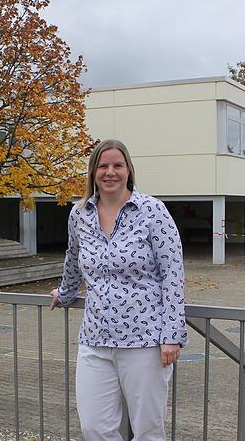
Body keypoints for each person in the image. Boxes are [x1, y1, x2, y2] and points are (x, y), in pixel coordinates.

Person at [50, 139, 187, 441]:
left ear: (128, 170)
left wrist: (172, 335)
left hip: (145, 342)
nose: (110, 172)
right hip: (95, 340)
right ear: (93, 171)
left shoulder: (153, 211)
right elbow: (73, 259)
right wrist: (65, 292)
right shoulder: (80, 214)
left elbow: (173, 274)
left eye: (117, 165)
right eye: (103, 165)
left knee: (148, 432)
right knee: (95, 429)